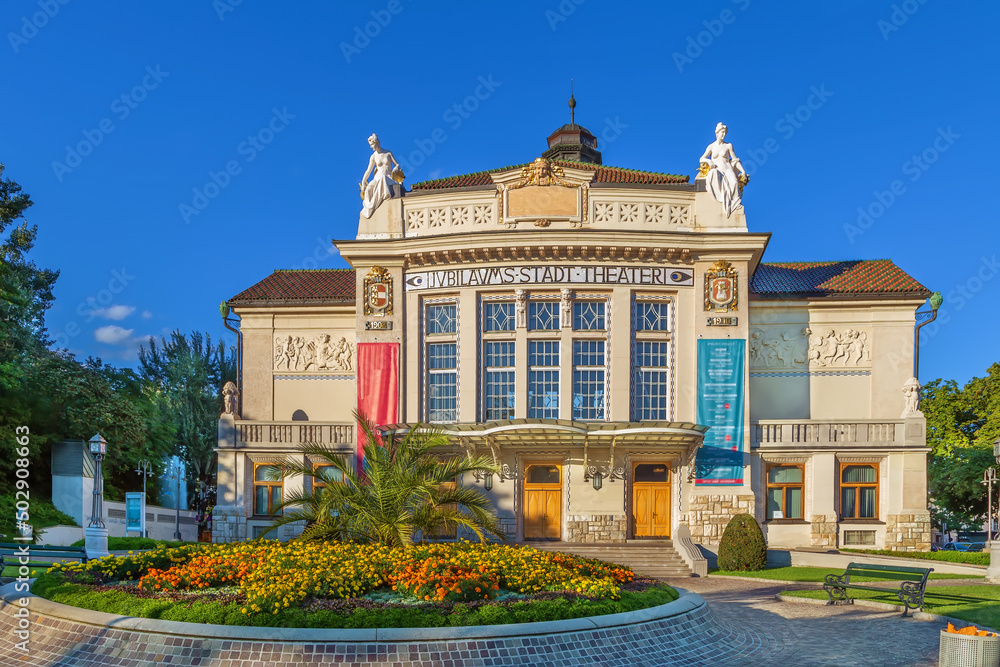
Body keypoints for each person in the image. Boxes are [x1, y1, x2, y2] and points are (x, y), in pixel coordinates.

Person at [698, 122, 749, 217]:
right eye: (722, 132)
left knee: (734, 183)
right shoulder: (711, 146)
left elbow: (735, 160)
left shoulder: (728, 145)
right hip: (717, 169)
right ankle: (721, 201)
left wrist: (743, 171)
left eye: (725, 132)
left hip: (727, 169)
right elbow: (701, 158)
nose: (724, 134)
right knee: (713, 174)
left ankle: (735, 205)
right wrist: (709, 162)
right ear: (717, 133)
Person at [360, 133, 402, 218]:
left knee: (383, 178)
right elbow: (369, 170)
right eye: (370, 145)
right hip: (377, 178)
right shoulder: (373, 156)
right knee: (368, 190)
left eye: (372, 144)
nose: (371, 147)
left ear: (376, 143)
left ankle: (383, 198)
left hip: (387, 177)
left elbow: (397, 164)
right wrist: (363, 180)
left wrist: (396, 168)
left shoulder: (388, 153)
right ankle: (369, 210)